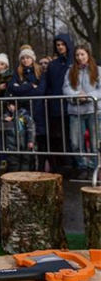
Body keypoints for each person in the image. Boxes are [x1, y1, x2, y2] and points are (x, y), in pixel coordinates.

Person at [62, 45, 101, 180]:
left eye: (82, 54)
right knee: (75, 142)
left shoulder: (98, 70)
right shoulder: (70, 71)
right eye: (77, 55)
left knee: (95, 141)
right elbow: (66, 88)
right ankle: (82, 167)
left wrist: (89, 96)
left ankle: (94, 167)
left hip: (93, 110)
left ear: (88, 55)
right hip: (75, 111)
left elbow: (100, 89)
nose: (80, 57)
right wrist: (76, 96)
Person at [6, 46, 46, 169]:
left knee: (35, 139)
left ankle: (36, 167)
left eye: (28, 57)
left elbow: (40, 91)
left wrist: (21, 89)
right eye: (22, 58)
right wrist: (30, 86)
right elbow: (12, 88)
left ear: (32, 58)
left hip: (37, 110)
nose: (25, 60)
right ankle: (23, 168)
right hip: (22, 112)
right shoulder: (17, 73)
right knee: (22, 140)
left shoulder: (40, 72)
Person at [45, 34, 75, 172]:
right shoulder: (53, 65)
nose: (60, 47)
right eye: (58, 45)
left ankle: (77, 165)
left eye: (63, 44)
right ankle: (62, 166)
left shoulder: (75, 61)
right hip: (56, 106)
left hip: (74, 106)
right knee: (58, 138)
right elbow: (48, 85)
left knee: (73, 138)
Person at [3, 101, 36, 171]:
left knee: (26, 161)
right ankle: (14, 178)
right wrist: (4, 119)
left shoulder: (25, 115)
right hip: (12, 145)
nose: (9, 107)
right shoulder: (7, 116)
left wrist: (31, 141)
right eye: (8, 106)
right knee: (13, 163)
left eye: (11, 105)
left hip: (24, 143)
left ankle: (24, 178)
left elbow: (31, 129)